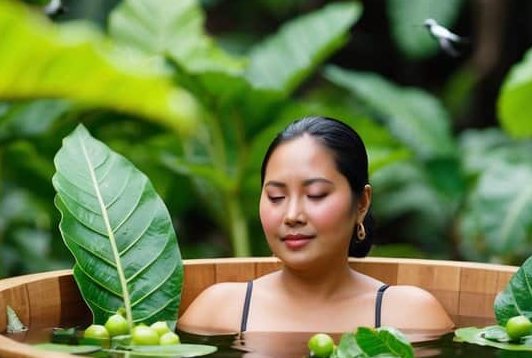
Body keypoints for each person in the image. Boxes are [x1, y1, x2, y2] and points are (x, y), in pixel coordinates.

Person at [179, 116, 453, 335]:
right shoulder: (220, 311)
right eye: (276, 196)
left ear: (361, 203)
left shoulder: (408, 316)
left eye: (316, 194)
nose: (292, 214)